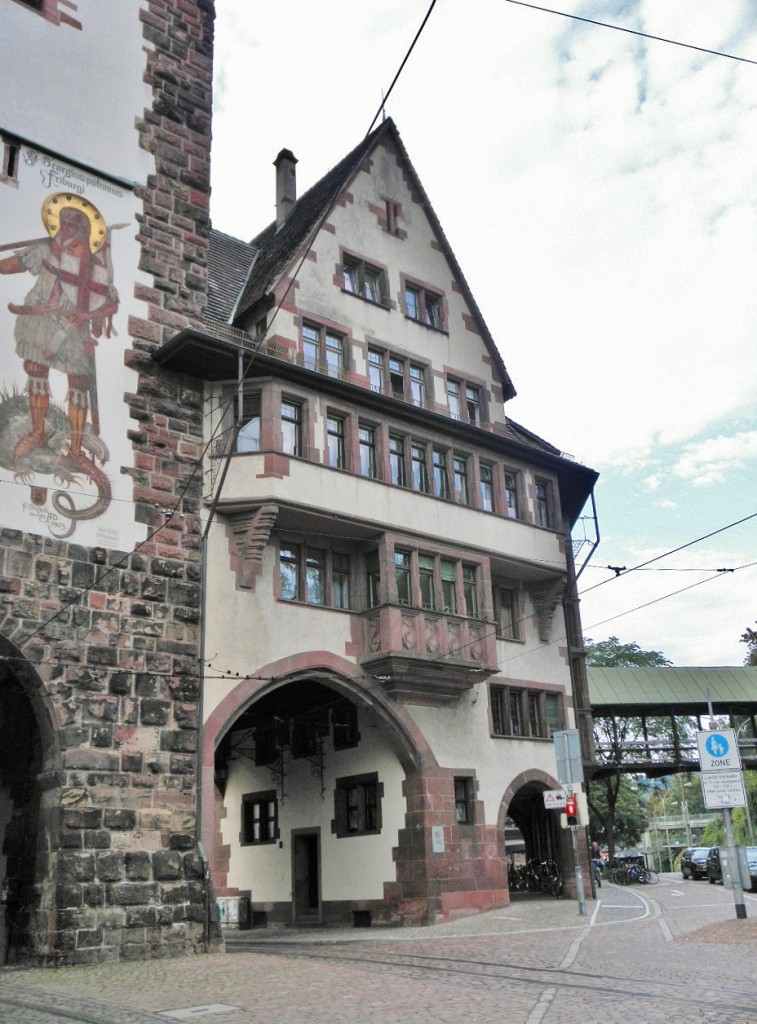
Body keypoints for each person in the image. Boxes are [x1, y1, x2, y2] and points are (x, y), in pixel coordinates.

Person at [0, 193, 118, 469]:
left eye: (73, 225)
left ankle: (76, 449)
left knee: (79, 384)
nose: (66, 229)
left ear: (84, 231)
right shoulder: (46, 250)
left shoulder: (93, 265)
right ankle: (38, 433)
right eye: (63, 223)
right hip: (39, 323)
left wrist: (90, 314)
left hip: (74, 330)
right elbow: (16, 264)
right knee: (36, 371)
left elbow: (110, 302)